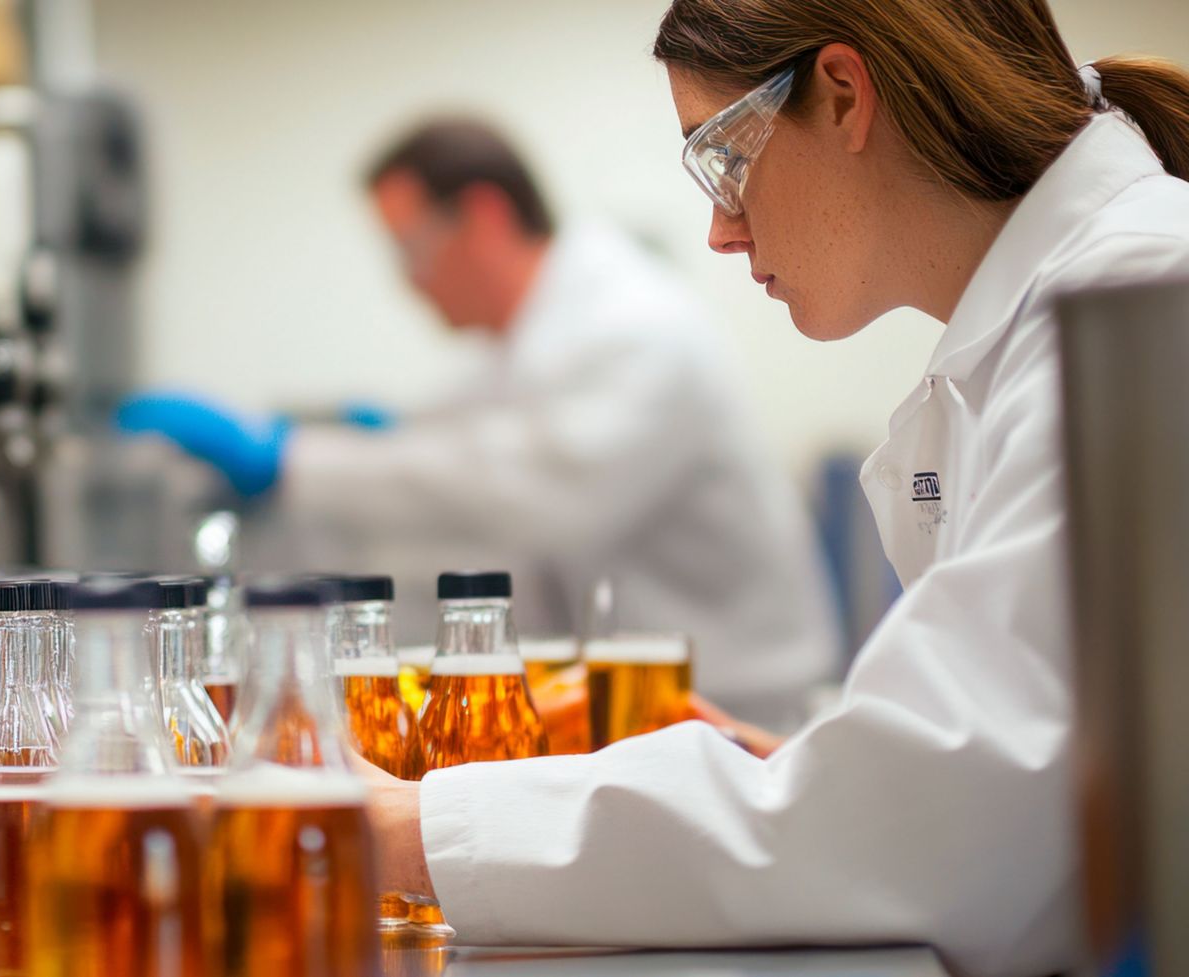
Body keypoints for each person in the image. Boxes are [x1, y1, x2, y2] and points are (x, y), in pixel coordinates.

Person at [364, 2, 1189, 975]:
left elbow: (926, 831)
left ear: (841, 95)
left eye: (721, 155)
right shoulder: (1040, 323)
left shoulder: (1141, 292)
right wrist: (804, 775)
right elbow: (995, 775)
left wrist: (404, 827)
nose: (717, 227)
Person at [119, 119, 838, 730]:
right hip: (654, 700)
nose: (408, 280)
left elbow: (525, 487)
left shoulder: (633, 325)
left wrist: (289, 459)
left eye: (411, 247)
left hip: (740, 708)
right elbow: (458, 432)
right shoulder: (539, 333)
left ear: (485, 217)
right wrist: (371, 434)